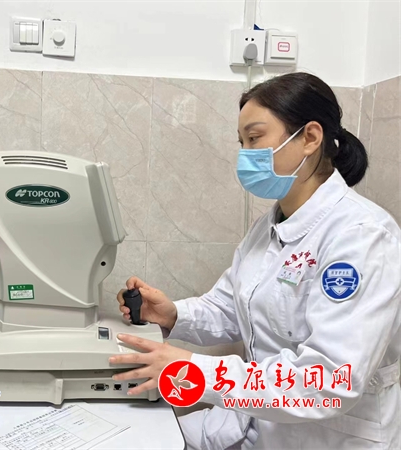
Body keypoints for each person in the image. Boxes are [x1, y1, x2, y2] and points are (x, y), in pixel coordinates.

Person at [109, 72, 401, 449]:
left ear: (310, 138)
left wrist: (192, 369)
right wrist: (173, 315)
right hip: (255, 424)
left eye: (255, 138)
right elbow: (233, 308)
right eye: (242, 142)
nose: (246, 155)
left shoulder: (362, 236)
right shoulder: (270, 225)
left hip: (328, 438)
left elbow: (330, 381)